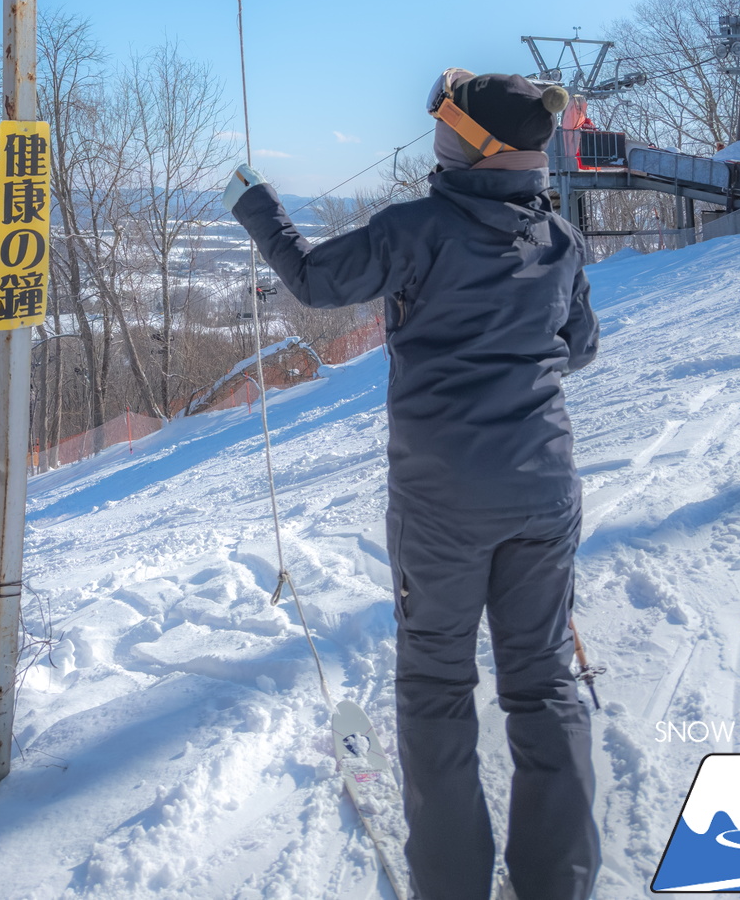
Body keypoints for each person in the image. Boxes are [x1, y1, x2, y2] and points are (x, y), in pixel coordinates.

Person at [221, 69, 601, 900]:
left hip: (443, 505)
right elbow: (577, 347)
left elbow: (318, 281)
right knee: (542, 687)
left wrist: (257, 205)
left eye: (449, 127)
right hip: (544, 491)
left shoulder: (419, 229)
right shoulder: (559, 238)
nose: (437, 137)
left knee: (435, 685)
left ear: (476, 147)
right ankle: (558, 884)